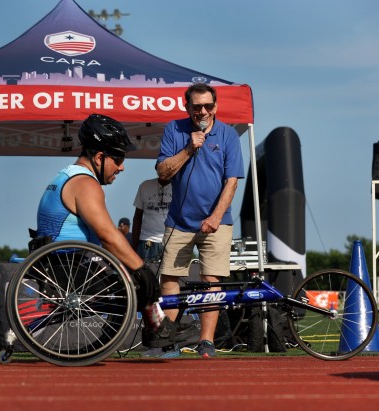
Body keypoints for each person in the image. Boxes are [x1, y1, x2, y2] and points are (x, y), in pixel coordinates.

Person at [35, 114, 193, 358]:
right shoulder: (84, 184)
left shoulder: (65, 176)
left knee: (133, 270)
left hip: (59, 266)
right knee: (142, 278)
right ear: (99, 157)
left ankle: (157, 325)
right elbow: (108, 235)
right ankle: (157, 328)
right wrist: (141, 269)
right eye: (118, 159)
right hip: (73, 273)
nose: (121, 167)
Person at [155, 83, 245, 358]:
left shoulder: (228, 135)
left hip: (217, 221)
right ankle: (168, 340)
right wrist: (189, 149)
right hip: (179, 221)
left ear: (215, 107)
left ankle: (206, 342)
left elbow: (232, 182)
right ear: (188, 108)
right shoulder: (174, 129)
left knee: (210, 278)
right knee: (170, 277)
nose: (202, 111)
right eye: (197, 107)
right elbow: (162, 172)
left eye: (208, 106)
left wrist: (216, 217)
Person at [131, 177, 172, 263]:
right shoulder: (145, 185)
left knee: (169, 276)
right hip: (147, 242)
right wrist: (134, 246)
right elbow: (137, 217)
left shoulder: (180, 186)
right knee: (145, 275)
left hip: (172, 242)